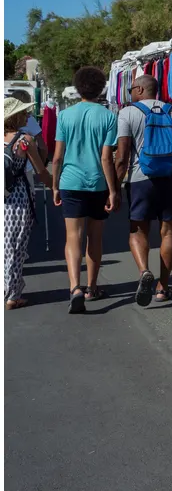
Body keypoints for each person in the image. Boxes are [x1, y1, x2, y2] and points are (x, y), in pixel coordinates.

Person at [114, 75, 172, 305]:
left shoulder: (128, 113)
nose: (129, 92)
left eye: (131, 88)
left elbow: (121, 156)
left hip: (141, 178)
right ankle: (163, 287)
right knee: (169, 232)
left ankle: (144, 272)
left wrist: (116, 188)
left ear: (140, 89)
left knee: (138, 231)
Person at [51, 67, 119, 313]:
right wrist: (113, 190)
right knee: (95, 237)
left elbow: (57, 157)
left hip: (70, 182)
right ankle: (92, 287)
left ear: (78, 88)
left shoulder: (65, 116)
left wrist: (55, 185)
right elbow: (106, 159)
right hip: (97, 183)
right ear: (101, 88)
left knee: (73, 238)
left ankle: (74, 287)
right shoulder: (109, 117)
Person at [4, 97, 53, 310]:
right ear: (15, 116)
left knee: (4, 246)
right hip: (17, 197)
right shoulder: (24, 140)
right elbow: (41, 170)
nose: (27, 115)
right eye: (23, 112)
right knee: (16, 246)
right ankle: (11, 294)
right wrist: (55, 188)